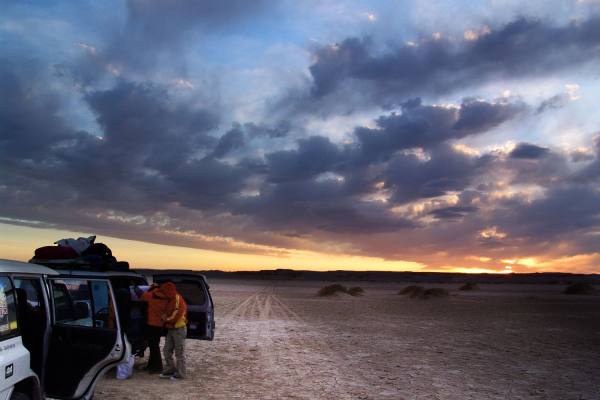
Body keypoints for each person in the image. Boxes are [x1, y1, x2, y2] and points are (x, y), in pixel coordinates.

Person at [159, 282, 188, 380]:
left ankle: (181, 374)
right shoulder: (169, 299)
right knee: (166, 350)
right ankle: (170, 369)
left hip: (178, 329)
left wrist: (166, 319)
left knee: (179, 352)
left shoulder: (177, 299)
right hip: (171, 329)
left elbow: (177, 314)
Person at [138, 283, 168, 373]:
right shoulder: (165, 297)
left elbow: (141, 297)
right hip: (160, 325)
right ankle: (151, 365)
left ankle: (158, 367)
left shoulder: (150, 295)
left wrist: (147, 290)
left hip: (151, 324)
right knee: (154, 345)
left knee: (154, 346)